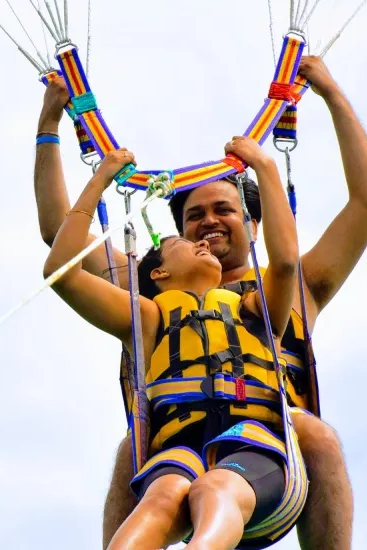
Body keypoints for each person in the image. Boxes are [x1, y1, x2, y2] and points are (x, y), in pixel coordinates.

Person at [33, 55, 367, 549]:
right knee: (129, 449)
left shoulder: (291, 287)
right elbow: (60, 240)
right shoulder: (153, 292)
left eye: (225, 209)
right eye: (194, 216)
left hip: (269, 437)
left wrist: (330, 93)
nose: (208, 222)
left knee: (319, 436)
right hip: (176, 444)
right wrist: (49, 124)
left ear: (256, 226)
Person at [44, 138, 305, 549]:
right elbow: (61, 270)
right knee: (161, 496)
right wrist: (100, 180)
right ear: (160, 275)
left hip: (252, 445)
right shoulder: (147, 317)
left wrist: (265, 169)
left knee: (215, 489)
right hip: (180, 449)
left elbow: (287, 261)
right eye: (184, 243)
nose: (203, 241)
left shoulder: (256, 308)